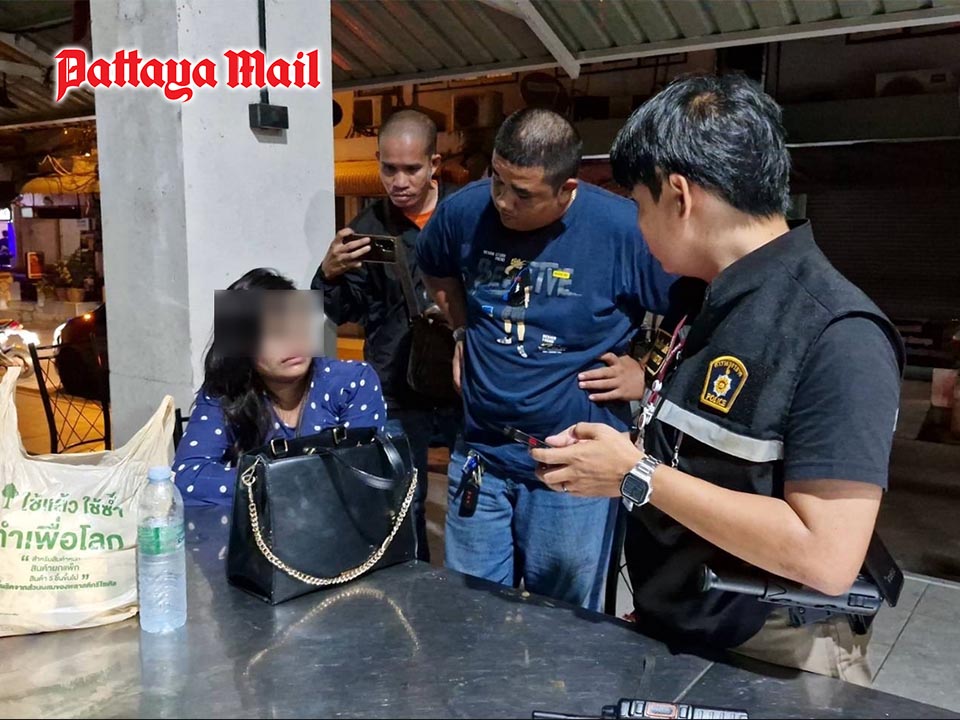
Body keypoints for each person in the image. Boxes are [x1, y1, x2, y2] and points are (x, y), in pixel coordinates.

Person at [530, 74, 904, 686]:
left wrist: (636, 477)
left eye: (639, 205)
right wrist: (616, 463)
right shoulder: (702, 301)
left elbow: (827, 555)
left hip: (774, 650)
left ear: (679, 195)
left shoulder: (837, 334)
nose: (638, 227)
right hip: (686, 625)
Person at [417, 108, 674, 610]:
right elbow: (435, 267)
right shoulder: (465, 211)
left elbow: (697, 307)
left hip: (574, 468)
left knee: (562, 623)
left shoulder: (623, 229)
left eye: (523, 194)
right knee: (469, 616)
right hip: (481, 454)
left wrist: (646, 372)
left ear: (566, 188)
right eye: (497, 180)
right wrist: (462, 329)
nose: (502, 201)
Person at [313, 109, 460, 562]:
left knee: (471, 499)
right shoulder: (367, 228)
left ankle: (466, 590)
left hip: (464, 380)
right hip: (395, 382)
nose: (399, 181)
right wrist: (328, 274)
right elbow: (346, 311)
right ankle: (414, 587)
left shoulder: (466, 214)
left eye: (411, 169)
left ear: (434, 164)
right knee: (403, 497)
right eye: (389, 168)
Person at [174, 268, 387, 505]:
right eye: (276, 332)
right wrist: (285, 482)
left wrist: (260, 483)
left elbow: (362, 475)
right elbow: (188, 477)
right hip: (259, 526)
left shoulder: (351, 381)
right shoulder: (225, 388)